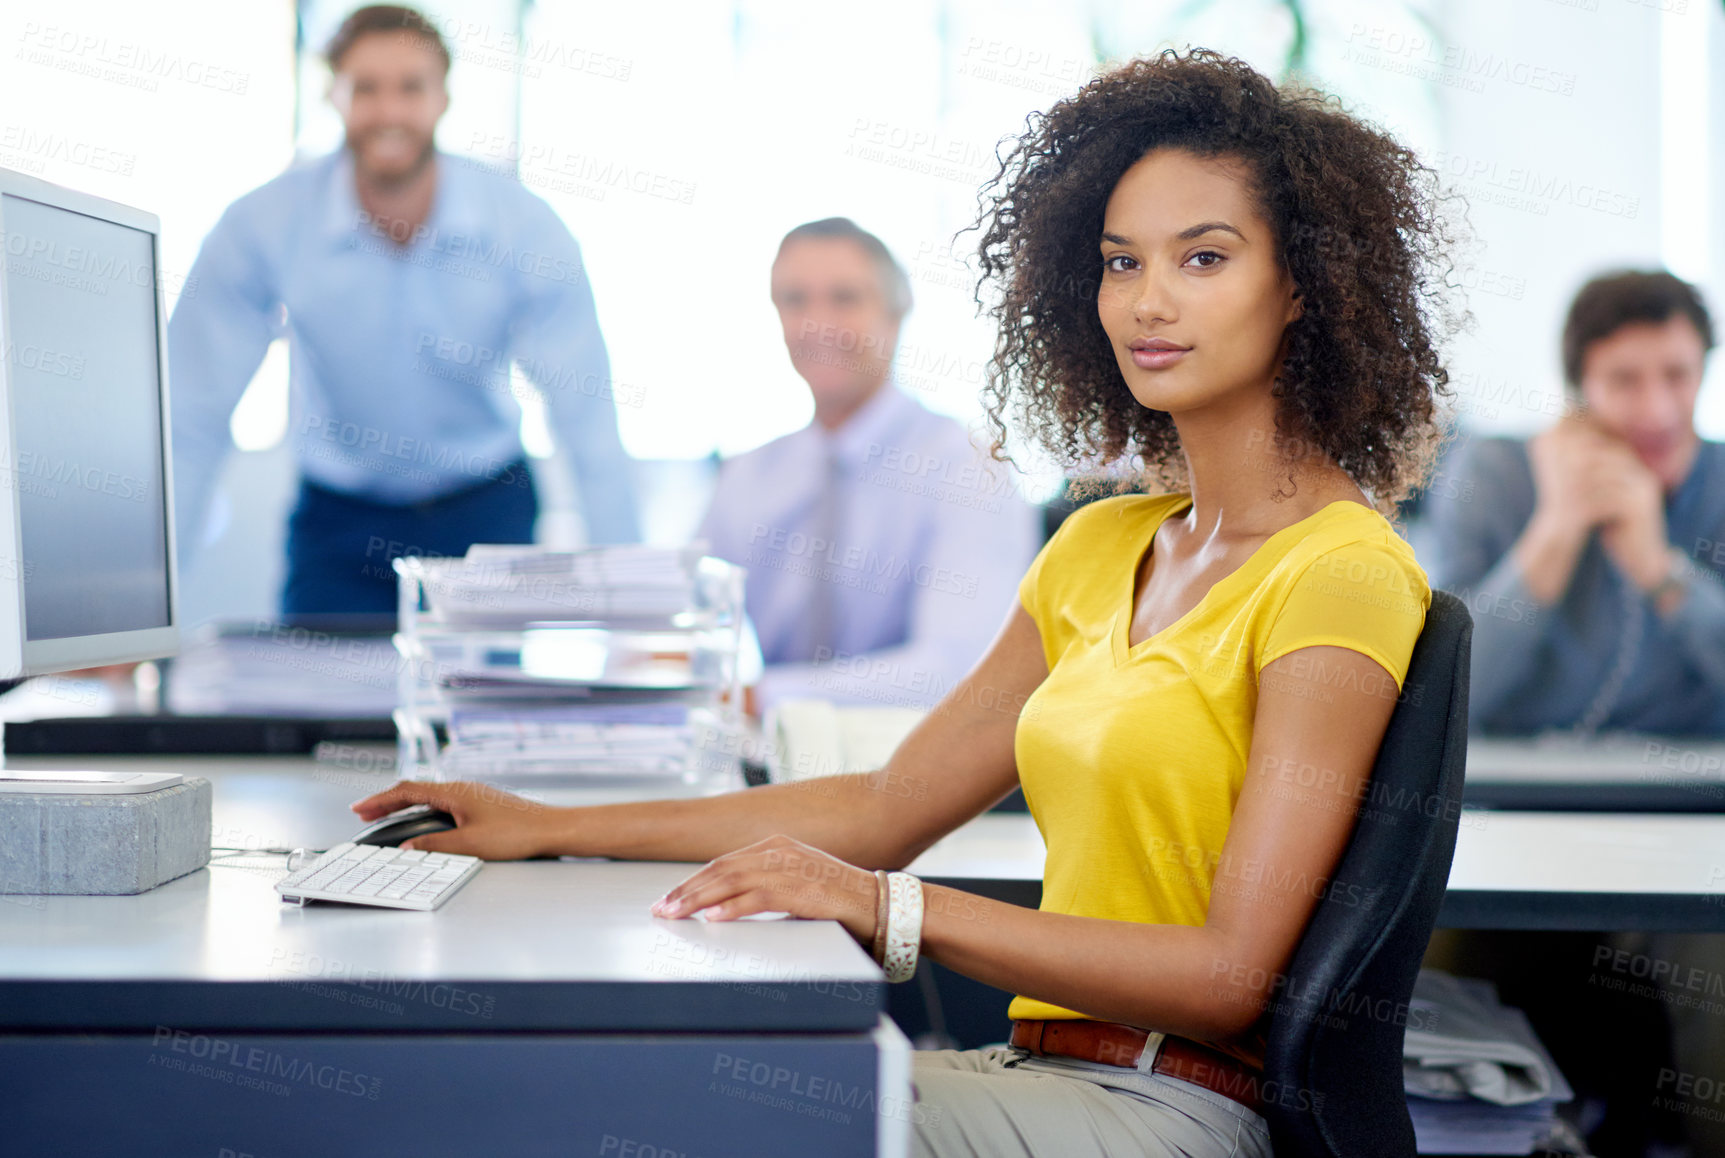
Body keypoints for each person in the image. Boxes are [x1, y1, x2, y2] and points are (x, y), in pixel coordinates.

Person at [354, 49, 1453, 1157]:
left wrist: (889, 908)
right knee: (628, 1084)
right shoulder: (1097, 547)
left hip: (1178, 1102)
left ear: (1307, 282)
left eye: (1204, 258)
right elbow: (886, 807)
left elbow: (1231, 976)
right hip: (1037, 1068)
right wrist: (545, 829)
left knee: (672, 1116)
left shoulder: (1340, 573)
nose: (1147, 301)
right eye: (1121, 262)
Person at [169, 5, 639, 616]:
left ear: (443, 98)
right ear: (332, 96)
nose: (389, 112)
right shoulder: (262, 224)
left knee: (486, 709)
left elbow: (588, 416)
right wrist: (138, 610)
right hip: (339, 527)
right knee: (316, 710)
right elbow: (190, 416)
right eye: (366, 89)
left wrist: (635, 612)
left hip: (486, 518)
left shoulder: (524, 226)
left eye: (410, 88)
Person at [696, 218, 1038, 715]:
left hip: (916, 769)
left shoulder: (970, 468)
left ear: (896, 315)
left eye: (844, 298)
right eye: (795, 300)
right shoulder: (748, 475)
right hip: (770, 759)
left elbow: (955, 669)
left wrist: (763, 696)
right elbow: (683, 620)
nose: (817, 323)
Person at [1423, 270, 1725, 734]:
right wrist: (1558, 527)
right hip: (1522, 792)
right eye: (1625, 381)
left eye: (1677, 375)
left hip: (1692, 795)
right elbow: (1446, 694)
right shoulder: (1493, 473)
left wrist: (1659, 572)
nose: (1658, 410)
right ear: (1578, 392)